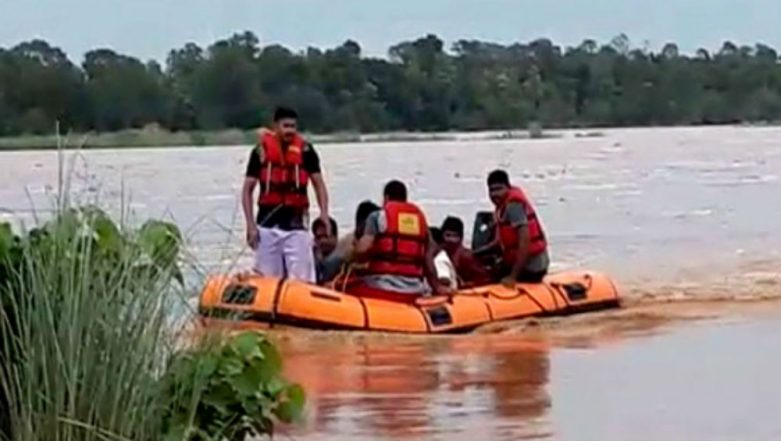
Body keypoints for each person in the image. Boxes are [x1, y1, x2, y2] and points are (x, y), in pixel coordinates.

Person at [242, 106, 330, 282]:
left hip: (296, 226)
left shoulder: (306, 152)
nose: (290, 131)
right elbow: (247, 190)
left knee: (301, 279)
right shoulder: (260, 152)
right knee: (267, 279)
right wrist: (250, 225)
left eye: (293, 126)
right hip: (267, 226)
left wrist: (324, 214)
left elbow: (319, 184)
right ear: (275, 126)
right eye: (286, 126)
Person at [349, 180, 445, 301]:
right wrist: (437, 286)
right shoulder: (420, 222)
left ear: (386, 197)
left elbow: (362, 250)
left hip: (382, 286)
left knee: (348, 286)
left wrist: (353, 249)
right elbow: (428, 260)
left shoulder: (378, 217)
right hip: (414, 288)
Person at [482, 169, 549, 286]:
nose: (495, 194)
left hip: (532, 266)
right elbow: (498, 242)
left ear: (508, 187)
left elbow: (525, 242)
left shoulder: (513, 206)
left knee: (493, 279)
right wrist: (475, 253)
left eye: (499, 189)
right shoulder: (501, 208)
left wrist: (513, 277)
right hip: (519, 261)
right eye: (491, 190)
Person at [440, 216, 492, 287]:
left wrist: (465, 285)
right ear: (442, 236)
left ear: (461, 238)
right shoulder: (439, 252)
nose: (451, 240)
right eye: (448, 235)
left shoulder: (466, 256)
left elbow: (486, 279)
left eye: (455, 236)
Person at [312, 216, 340, 283]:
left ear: (335, 237)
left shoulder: (345, 260)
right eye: (318, 237)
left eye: (325, 236)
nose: (322, 241)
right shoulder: (311, 260)